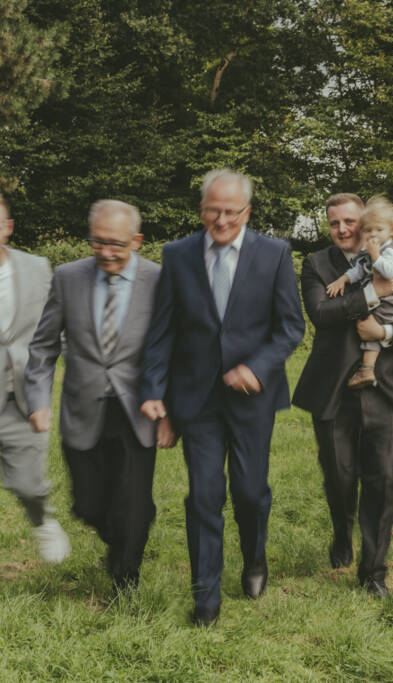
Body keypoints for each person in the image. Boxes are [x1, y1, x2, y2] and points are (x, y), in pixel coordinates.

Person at [139, 169, 305, 626]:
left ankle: (254, 557)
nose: (222, 219)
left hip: (253, 396)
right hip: (196, 399)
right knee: (204, 495)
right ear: (202, 209)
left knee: (250, 493)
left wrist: (256, 365)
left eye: (231, 211)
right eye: (213, 209)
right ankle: (206, 599)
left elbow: (291, 326)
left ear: (246, 212)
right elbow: (162, 332)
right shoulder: (177, 255)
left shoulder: (273, 254)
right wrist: (155, 393)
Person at [293, 192, 393, 598]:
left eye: (350, 222)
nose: (342, 229)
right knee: (339, 476)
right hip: (333, 388)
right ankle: (342, 528)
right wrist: (374, 292)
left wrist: (386, 333)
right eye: (334, 222)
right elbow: (321, 313)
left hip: (388, 385)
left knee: (384, 478)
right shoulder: (317, 264)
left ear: (365, 221)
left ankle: (374, 572)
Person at [25, 200, 166, 592]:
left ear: (136, 241)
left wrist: (171, 404)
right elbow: (43, 345)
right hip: (82, 407)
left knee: (133, 506)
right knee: (88, 505)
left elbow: (173, 344)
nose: (106, 252)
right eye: (97, 242)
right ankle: (120, 535)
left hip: (138, 407)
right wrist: (38, 400)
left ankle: (126, 576)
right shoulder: (68, 277)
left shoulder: (159, 279)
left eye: (116, 244)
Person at [0, 194, 70, 565]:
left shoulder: (38, 268)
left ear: (8, 228)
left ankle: (42, 520)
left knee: (27, 482)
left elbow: (56, 326)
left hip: (25, 392)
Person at [325, 196, 393, 395]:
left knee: (372, 323)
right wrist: (343, 280)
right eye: (368, 230)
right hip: (387, 302)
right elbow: (359, 271)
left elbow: (389, 272)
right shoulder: (366, 252)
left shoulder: (391, 250)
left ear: (391, 230)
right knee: (377, 323)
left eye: (379, 230)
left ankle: (367, 370)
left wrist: (375, 256)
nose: (373, 234)